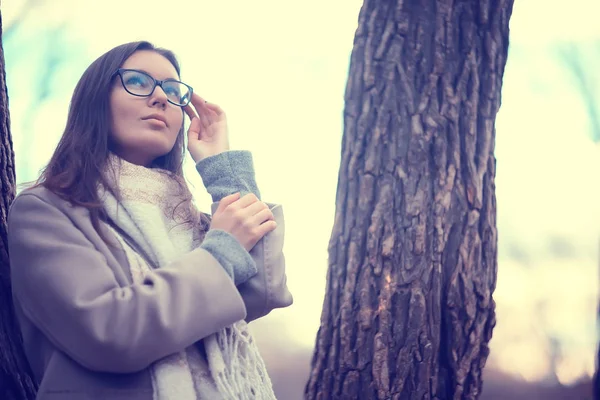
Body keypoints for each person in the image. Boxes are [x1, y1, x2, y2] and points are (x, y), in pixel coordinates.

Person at [7, 40, 293, 400]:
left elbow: (263, 289)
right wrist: (222, 252)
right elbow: (109, 332)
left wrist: (224, 170)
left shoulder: (192, 221)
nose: (160, 97)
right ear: (96, 100)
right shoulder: (45, 211)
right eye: (139, 82)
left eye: (173, 91)